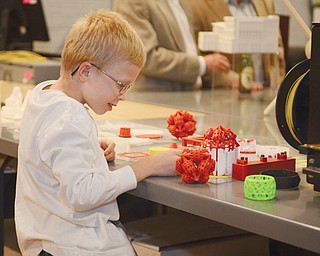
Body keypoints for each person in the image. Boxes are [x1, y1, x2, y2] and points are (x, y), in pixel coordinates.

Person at [15, 9, 181, 256]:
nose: (123, 95)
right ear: (85, 72)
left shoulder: (44, 96)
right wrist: (148, 166)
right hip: (73, 247)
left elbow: (53, 153)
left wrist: (90, 149)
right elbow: (81, 193)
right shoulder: (68, 116)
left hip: (47, 241)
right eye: (121, 84)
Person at [113, 0, 233, 91]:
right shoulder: (132, 2)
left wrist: (231, 79)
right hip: (155, 102)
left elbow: (189, 50)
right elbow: (145, 58)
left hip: (188, 97)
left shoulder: (180, 3)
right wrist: (202, 64)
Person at [187, 0, 286, 89]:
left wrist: (280, 89)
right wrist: (236, 81)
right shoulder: (196, 5)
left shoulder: (265, 3)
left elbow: (278, 50)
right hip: (225, 99)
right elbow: (198, 61)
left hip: (267, 96)